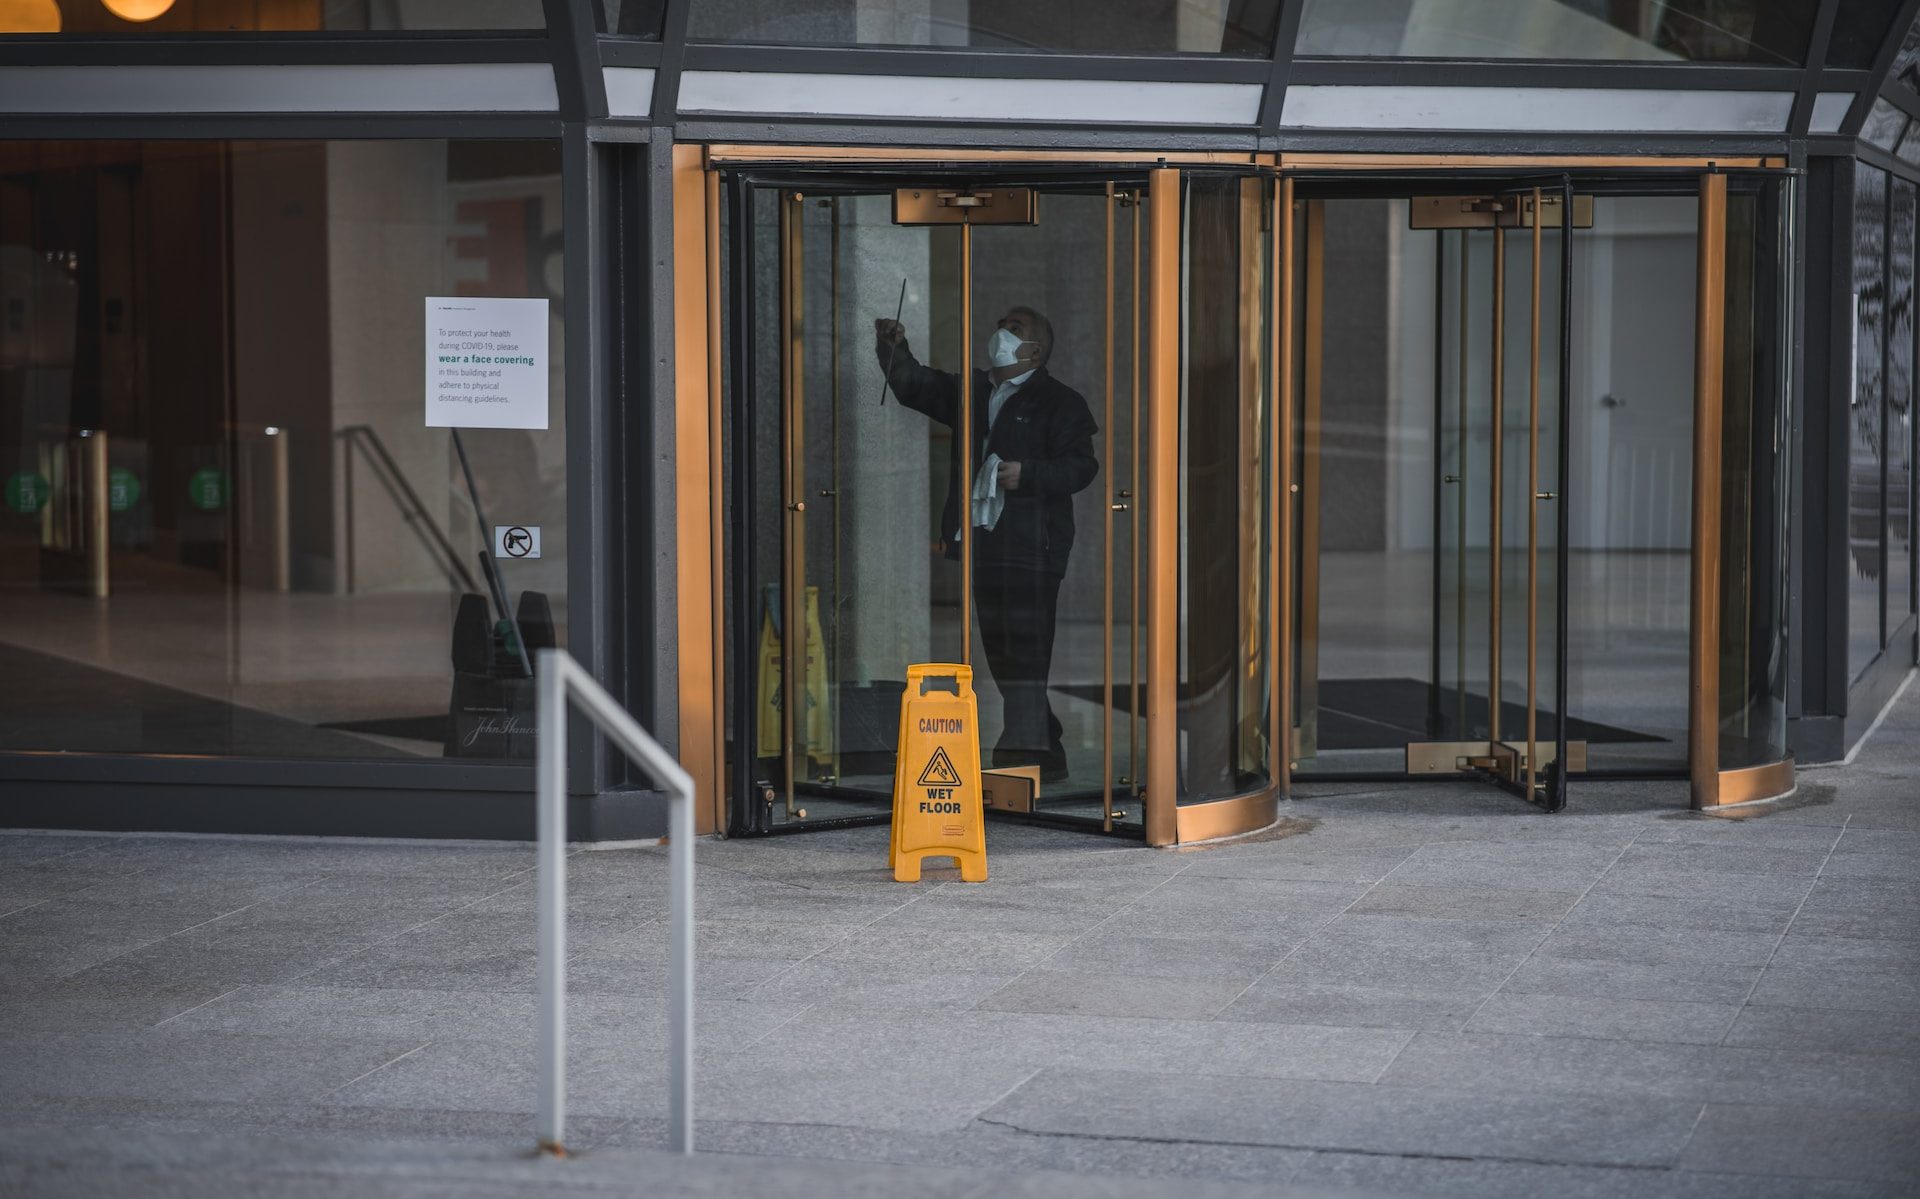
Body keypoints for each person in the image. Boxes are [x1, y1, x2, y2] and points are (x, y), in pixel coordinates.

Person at [875, 306, 1098, 783]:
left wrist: (1028, 475)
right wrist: (893, 346)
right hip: (985, 543)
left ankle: (1020, 759)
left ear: (1034, 351)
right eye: (1001, 324)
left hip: (1033, 548)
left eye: (1014, 328)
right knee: (1003, 652)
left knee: (1027, 652)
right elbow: (916, 384)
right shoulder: (975, 390)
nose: (1001, 332)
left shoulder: (1060, 402)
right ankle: (1046, 749)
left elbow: (1082, 467)